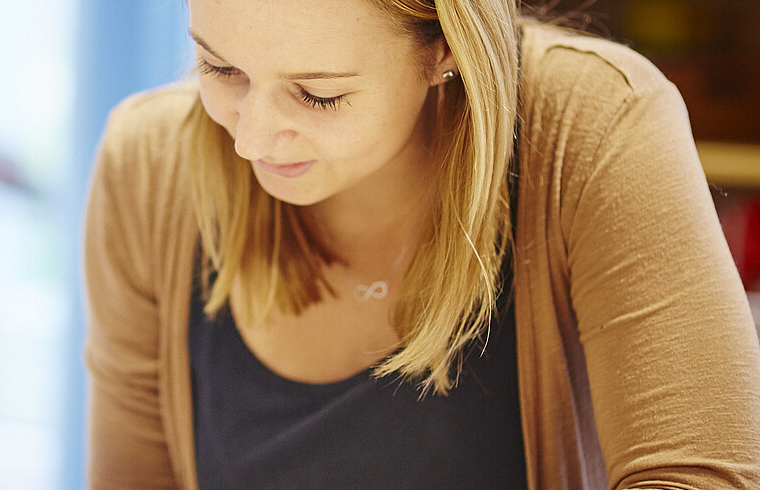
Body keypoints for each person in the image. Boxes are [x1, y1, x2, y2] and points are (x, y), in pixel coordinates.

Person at [83, 0, 760, 488]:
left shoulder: (594, 123)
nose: (251, 139)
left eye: (318, 95)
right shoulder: (150, 165)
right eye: (220, 69)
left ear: (444, 48)